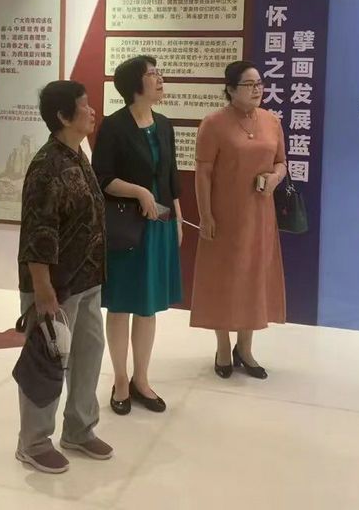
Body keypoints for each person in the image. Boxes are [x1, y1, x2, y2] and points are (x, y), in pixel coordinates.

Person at [16, 80, 112, 474]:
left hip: (86, 280)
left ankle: (79, 428)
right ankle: (34, 442)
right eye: (84, 106)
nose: (92, 111)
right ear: (62, 116)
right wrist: (42, 290)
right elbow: (38, 232)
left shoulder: (77, 155)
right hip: (54, 286)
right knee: (48, 359)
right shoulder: (46, 166)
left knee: (89, 352)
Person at [92, 56, 182, 415]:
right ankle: (119, 379)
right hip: (126, 227)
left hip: (160, 224)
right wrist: (139, 192)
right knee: (121, 304)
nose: (159, 79)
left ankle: (141, 379)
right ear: (134, 84)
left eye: (159, 73)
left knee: (148, 305)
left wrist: (178, 218)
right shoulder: (114, 126)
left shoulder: (164, 124)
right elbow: (102, 178)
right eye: (152, 74)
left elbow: (172, 177)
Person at [191, 61, 287, 380]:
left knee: (253, 279)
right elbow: (203, 173)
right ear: (231, 89)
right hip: (224, 215)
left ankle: (245, 348)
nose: (257, 89)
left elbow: (281, 162)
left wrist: (275, 178)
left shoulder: (271, 121)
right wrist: (205, 215)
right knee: (223, 279)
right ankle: (222, 347)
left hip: (260, 215)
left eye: (259, 83)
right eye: (249, 84)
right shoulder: (213, 124)